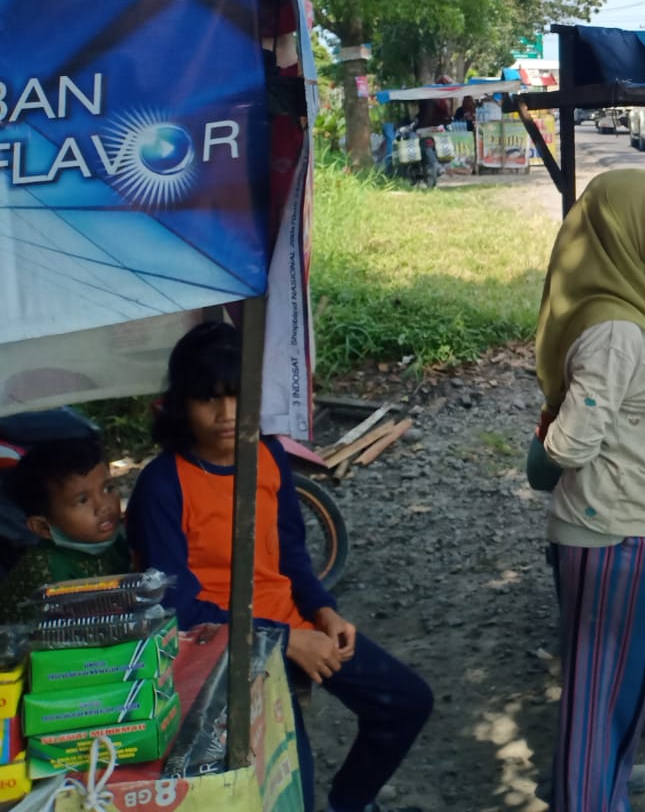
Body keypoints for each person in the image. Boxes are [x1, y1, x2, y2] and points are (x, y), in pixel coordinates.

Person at [126, 323, 434, 812]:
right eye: (209, 400)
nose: (227, 414)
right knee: (290, 790)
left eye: (238, 397)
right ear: (182, 404)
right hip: (227, 653)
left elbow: (290, 552)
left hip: (292, 622)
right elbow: (176, 608)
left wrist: (323, 611)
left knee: (407, 701)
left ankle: (349, 803)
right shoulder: (163, 485)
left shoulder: (266, 456)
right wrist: (283, 642)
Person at [525, 168, 645, 811]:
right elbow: (571, 441)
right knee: (596, 690)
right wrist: (541, 459)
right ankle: (587, 798)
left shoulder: (640, 307)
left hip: (633, 525)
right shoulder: (615, 330)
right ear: (622, 229)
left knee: (618, 685)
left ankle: (609, 789)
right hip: (609, 536)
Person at [0, 434, 133, 621]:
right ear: (42, 527)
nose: (104, 506)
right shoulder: (46, 569)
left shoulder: (115, 541)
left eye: (108, 489)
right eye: (82, 500)